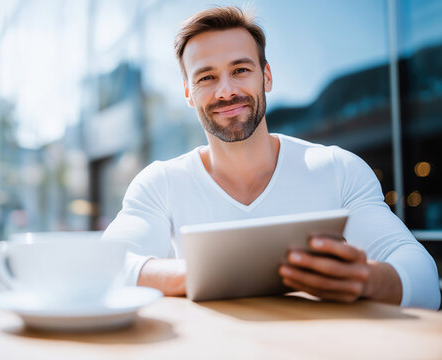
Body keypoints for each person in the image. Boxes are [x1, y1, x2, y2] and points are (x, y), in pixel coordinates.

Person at [102, 6, 440, 309]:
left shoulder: (338, 169)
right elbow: (104, 266)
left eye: (240, 70)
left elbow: (423, 279)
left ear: (266, 76)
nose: (226, 91)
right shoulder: (161, 182)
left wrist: (367, 279)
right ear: (189, 94)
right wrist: (204, 273)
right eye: (207, 77)